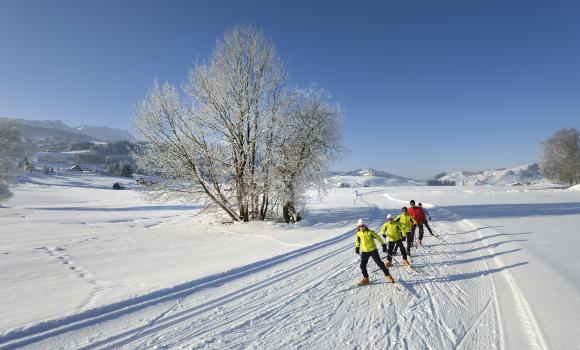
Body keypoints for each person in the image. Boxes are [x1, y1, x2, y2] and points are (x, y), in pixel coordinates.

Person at [355, 218, 395, 285]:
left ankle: (388, 275)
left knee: (380, 264)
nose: (361, 227)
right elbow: (357, 241)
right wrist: (357, 247)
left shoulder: (370, 232)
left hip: (373, 250)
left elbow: (378, 238)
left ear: (365, 226)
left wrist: (383, 245)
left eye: (362, 226)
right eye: (360, 226)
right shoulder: (358, 234)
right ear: (358, 227)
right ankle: (366, 278)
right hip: (365, 251)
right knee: (362, 265)